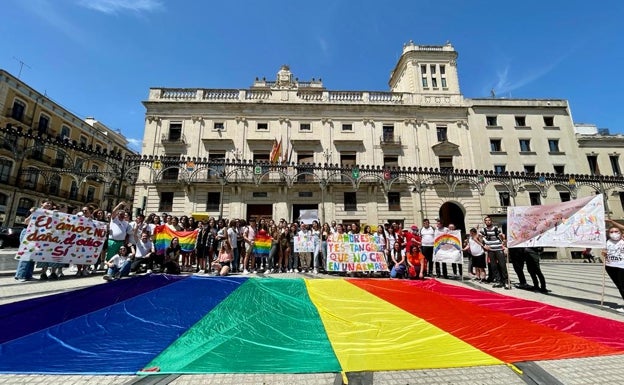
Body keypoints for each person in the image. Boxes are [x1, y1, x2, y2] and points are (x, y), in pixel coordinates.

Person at [480, 216, 510, 289]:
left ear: (491, 221)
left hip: (499, 249)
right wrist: (484, 246)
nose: (488, 222)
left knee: (502, 265)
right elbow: (479, 238)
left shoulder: (496, 228)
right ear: (485, 222)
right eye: (486, 220)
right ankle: (499, 281)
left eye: (489, 220)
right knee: (494, 266)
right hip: (490, 250)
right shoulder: (483, 230)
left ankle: (506, 281)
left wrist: (503, 243)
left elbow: (502, 236)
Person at [603, 221, 624, 309]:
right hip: (610, 266)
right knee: (619, 285)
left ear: (620, 233)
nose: (614, 233)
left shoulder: (623, 240)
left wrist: (611, 222)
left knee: (623, 286)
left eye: (616, 231)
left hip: (622, 266)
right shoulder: (606, 242)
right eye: (611, 232)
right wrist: (604, 252)